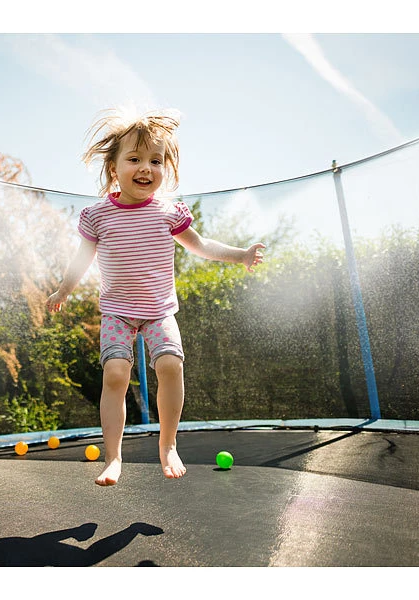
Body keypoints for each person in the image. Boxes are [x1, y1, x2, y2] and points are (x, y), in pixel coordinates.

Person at [46, 108, 265, 486]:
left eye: (155, 160)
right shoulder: (98, 216)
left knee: (170, 366)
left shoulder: (168, 212)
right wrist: (65, 288)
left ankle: (168, 444)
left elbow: (202, 246)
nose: (145, 168)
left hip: (159, 311)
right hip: (117, 312)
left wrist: (240, 255)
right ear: (114, 168)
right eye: (134, 159)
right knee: (115, 373)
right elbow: (82, 258)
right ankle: (113, 457)